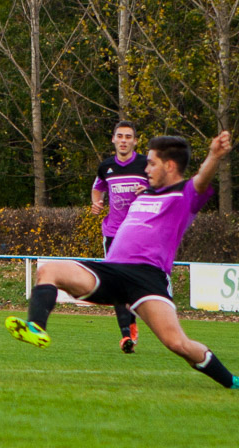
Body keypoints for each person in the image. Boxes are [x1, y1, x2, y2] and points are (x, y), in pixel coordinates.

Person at [5, 131, 239, 391]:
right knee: (49, 270)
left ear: (169, 166)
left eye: (151, 163)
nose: (146, 168)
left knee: (177, 344)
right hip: (111, 272)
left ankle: (232, 381)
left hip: (147, 278)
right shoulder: (145, 194)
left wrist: (214, 156)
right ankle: (36, 327)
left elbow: (200, 180)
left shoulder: (184, 196)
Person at [91, 121, 149, 353]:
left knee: (136, 284)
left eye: (128, 136)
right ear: (113, 139)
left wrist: (150, 190)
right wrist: (97, 203)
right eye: (120, 136)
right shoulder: (106, 167)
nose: (124, 140)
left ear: (135, 141)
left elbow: (166, 188)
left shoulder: (146, 164)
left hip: (140, 233)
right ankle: (126, 335)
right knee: (116, 284)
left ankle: (134, 320)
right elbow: (98, 188)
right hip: (113, 233)